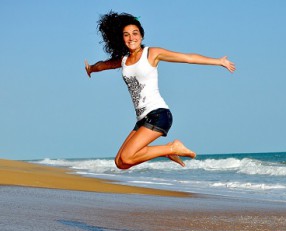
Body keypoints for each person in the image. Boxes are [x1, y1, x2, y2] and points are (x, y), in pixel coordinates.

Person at [85, 11, 235, 170]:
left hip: (158, 115)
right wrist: (91, 68)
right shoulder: (123, 60)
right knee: (120, 162)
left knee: (127, 156)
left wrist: (218, 61)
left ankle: (172, 148)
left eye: (135, 33)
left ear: (141, 36)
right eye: (126, 35)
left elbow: (187, 58)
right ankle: (167, 151)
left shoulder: (151, 53)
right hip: (142, 119)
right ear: (121, 39)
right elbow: (103, 65)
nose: (131, 38)